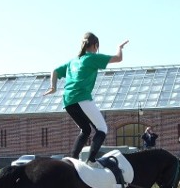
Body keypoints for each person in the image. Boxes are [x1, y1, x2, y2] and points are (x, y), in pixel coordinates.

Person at [46, 32, 129, 168]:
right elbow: (118, 58)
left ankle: (71, 160)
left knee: (85, 130)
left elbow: (55, 70)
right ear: (95, 45)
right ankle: (91, 160)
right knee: (102, 128)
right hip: (81, 97)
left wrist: (53, 87)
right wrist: (119, 47)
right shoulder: (91, 58)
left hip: (68, 101)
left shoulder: (72, 61)